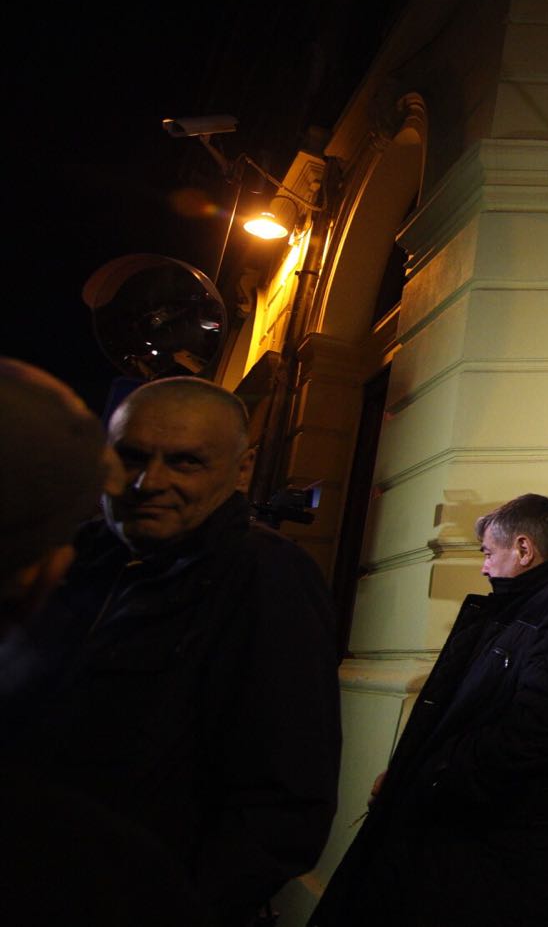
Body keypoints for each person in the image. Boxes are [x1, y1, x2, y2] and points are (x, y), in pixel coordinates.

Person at [0, 375, 341, 926]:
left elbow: (284, 805)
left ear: (242, 470)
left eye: (185, 462)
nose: (148, 482)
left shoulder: (267, 577)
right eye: (132, 457)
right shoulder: (73, 557)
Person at [311, 493, 548, 927]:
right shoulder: (526, 607)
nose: (484, 567)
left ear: (524, 549)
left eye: (488, 553)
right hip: (498, 839)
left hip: (522, 847)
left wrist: (434, 773)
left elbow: (541, 731)